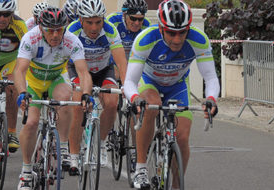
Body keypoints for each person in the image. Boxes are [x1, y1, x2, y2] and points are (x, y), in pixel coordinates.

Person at [123, 0, 220, 189]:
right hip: (149, 82)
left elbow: (211, 78)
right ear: (160, 28)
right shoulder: (145, 39)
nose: (177, 39)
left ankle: (176, 185)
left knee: (182, 137)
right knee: (151, 104)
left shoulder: (199, 39)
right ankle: (141, 168)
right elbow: (129, 82)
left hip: (177, 85)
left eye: (182, 32)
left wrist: (211, 99)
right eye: (171, 33)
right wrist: (135, 98)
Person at [14, 7, 92, 190]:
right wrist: (22, 92)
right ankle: (26, 171)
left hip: (56, 79)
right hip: (33, 82)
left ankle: (63, 146)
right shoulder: (30, 38)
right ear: (41, 28)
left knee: (65, 98)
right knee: (31, 122)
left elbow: (83, 72)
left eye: (59, 29)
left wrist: (86, 94)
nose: (56, 34)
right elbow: (19, 70)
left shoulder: (72, 41)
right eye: (51, 30)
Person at [67, 0, 127, 175]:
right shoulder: (72, 31)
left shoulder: (110, 30)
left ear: (103, 20)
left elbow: (122, 63)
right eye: (89, 22)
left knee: (112, 102)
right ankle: (74, 155)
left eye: (98, 22)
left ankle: (100, 143)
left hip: (103, 70)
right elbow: (63, 60)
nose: (94, 27)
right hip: (77, 70)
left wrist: (128, 88)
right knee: (79, 105)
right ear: (80, 19)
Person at [0, 0, 28, 153]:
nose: (2, 18)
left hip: (8, 64)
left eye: (6, 14)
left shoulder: (20, 26)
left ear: (12, 14)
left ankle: (11, 132)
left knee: (12, 86)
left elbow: (27, 53)